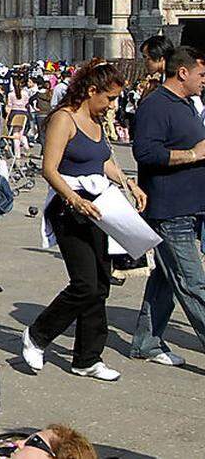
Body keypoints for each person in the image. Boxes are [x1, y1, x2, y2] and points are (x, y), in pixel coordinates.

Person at [22, 60, 139, 382]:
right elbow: (49, 168)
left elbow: (102, 163)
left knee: (100, 284)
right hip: (69, 208)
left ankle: (87, 358)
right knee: (85, 283)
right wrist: (73, 199)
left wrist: (129, 182)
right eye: (110, 98)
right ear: (91, 91)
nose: (112, 105)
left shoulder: (97, 120)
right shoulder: (64, 119)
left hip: (98, 208)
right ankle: (37, 335)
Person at [130, 45, 205, 365]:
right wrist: (192, 155)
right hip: (169, 209)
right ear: (183, 72)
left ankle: (147, 341)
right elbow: (145, 153)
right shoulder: (156, 105)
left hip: (187, 207)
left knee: (165, 278)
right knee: (193, 282)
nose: (204, 80)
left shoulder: (186, 104)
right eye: (201, 74)